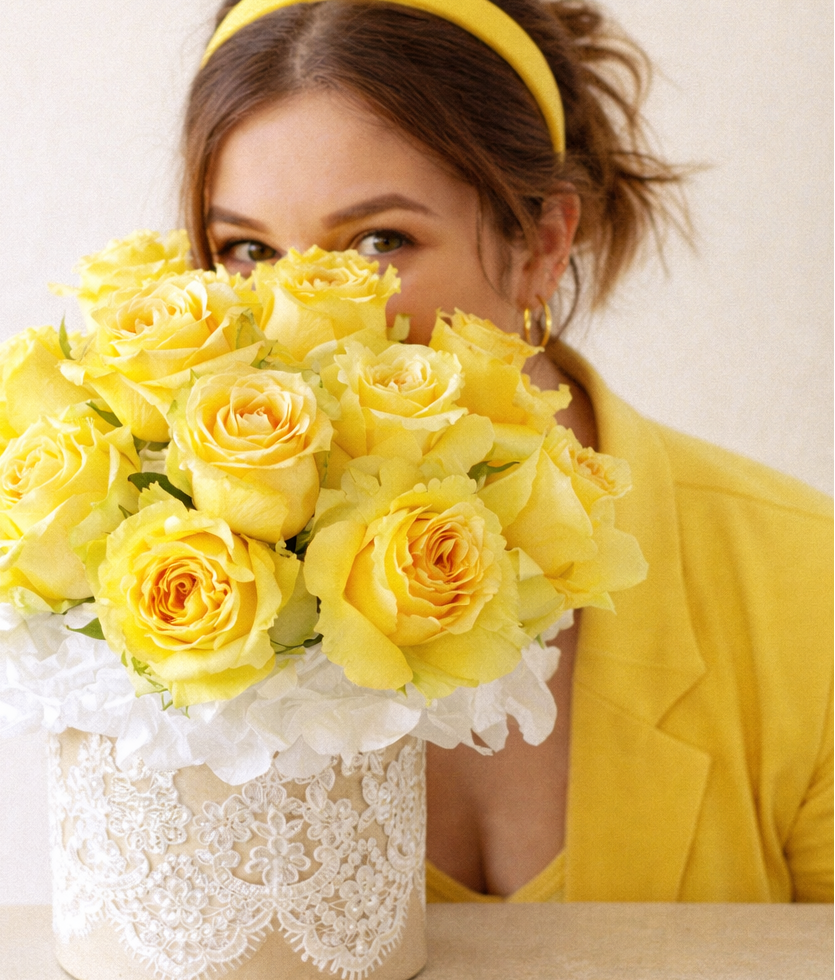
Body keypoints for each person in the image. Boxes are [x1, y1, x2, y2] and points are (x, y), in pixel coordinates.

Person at [179, 0, 834, 902]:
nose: (302, 322)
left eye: (378, 241)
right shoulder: (162, 606)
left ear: (541, 242)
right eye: (247, 249)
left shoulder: (808, 581)